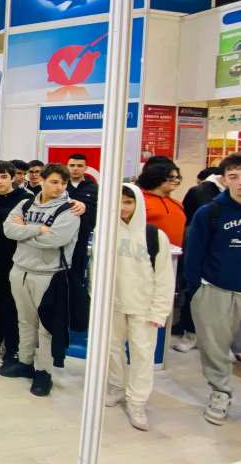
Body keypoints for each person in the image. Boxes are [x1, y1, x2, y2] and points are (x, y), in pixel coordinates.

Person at [0, 164, 80, 398]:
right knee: (25, 320)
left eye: (63, 183)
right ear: (42, 181)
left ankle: (44, 372)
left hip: (49, 275)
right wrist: (38, 229)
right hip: (20, 270)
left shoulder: (69, 209)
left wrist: (25, 230)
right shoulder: (26, 204)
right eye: (54, 181)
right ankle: (25, 362)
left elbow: (55, 239)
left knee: (47, 328)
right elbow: (8, 229)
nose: (59, 187)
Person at [105, 184, 174, 431]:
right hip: (112, 305)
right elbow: (96, 269)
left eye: (128, 202)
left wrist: (159, 311)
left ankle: (137, 402)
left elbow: (164, 277)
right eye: (119, 202)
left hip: (143, 308)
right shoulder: (105, 231)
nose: (123, 207)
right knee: (112, 350)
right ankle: (116, 387)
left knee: (142, 356)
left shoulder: (154, 236)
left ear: (138, 204)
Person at [183, 151, 241, 426]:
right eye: (234, 176)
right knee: (215, 348)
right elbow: (193, 253)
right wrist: (196, 289)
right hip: (216, 290)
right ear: (224, 179)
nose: (240, 182)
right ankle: (220, 392)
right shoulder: (210, 212)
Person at [0, 161, 36, 361]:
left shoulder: (25, 199)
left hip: (15, 258)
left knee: (12, 303)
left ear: (13, 178)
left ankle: (13, 346)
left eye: (3, 177)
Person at [173, 165, 224, 349]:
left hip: (227, 256)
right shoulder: (200, 193)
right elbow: (189, 225)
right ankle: (190, 334)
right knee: (195, 292)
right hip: (202, 253)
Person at [65, 153, 98, 324]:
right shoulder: (61, 186)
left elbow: (98, 213)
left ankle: (77, 320)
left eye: (79, 165)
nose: (75, 169)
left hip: (82, 240)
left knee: (77, 279)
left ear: (86, 168)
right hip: (60, 240)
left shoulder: (94, 188)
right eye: (72, 165)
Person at [137, 161, 186, 248]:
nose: (177, 180)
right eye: (171, 177)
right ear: (157, 177)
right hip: (146, 252)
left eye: (178, 177)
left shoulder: (177, 204)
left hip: (175, 254)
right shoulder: (139, 200)